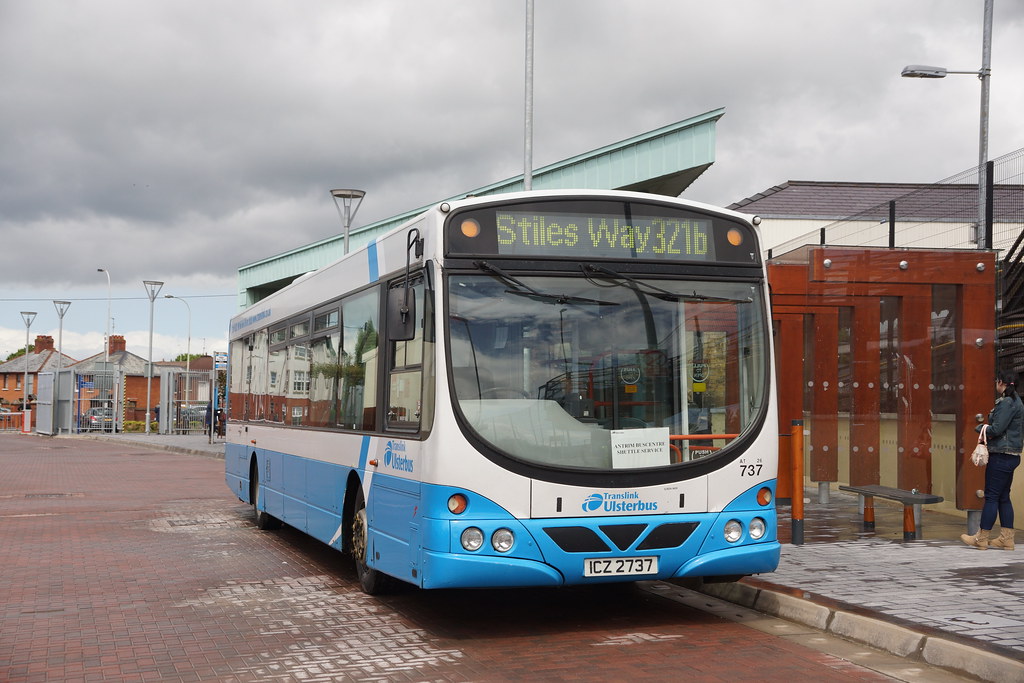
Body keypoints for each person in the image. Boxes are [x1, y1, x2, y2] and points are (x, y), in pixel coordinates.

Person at [961, 369, 1022, 550]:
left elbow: (996, 429)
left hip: (1001, 456)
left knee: (992, 496)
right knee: (1003, 497)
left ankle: (981, 538)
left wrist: (981, 428)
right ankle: (1006, 539)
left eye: (997, 381)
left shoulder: (1007, 403)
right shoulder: (1016, 402)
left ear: (1001, 383)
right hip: (1010, 456)